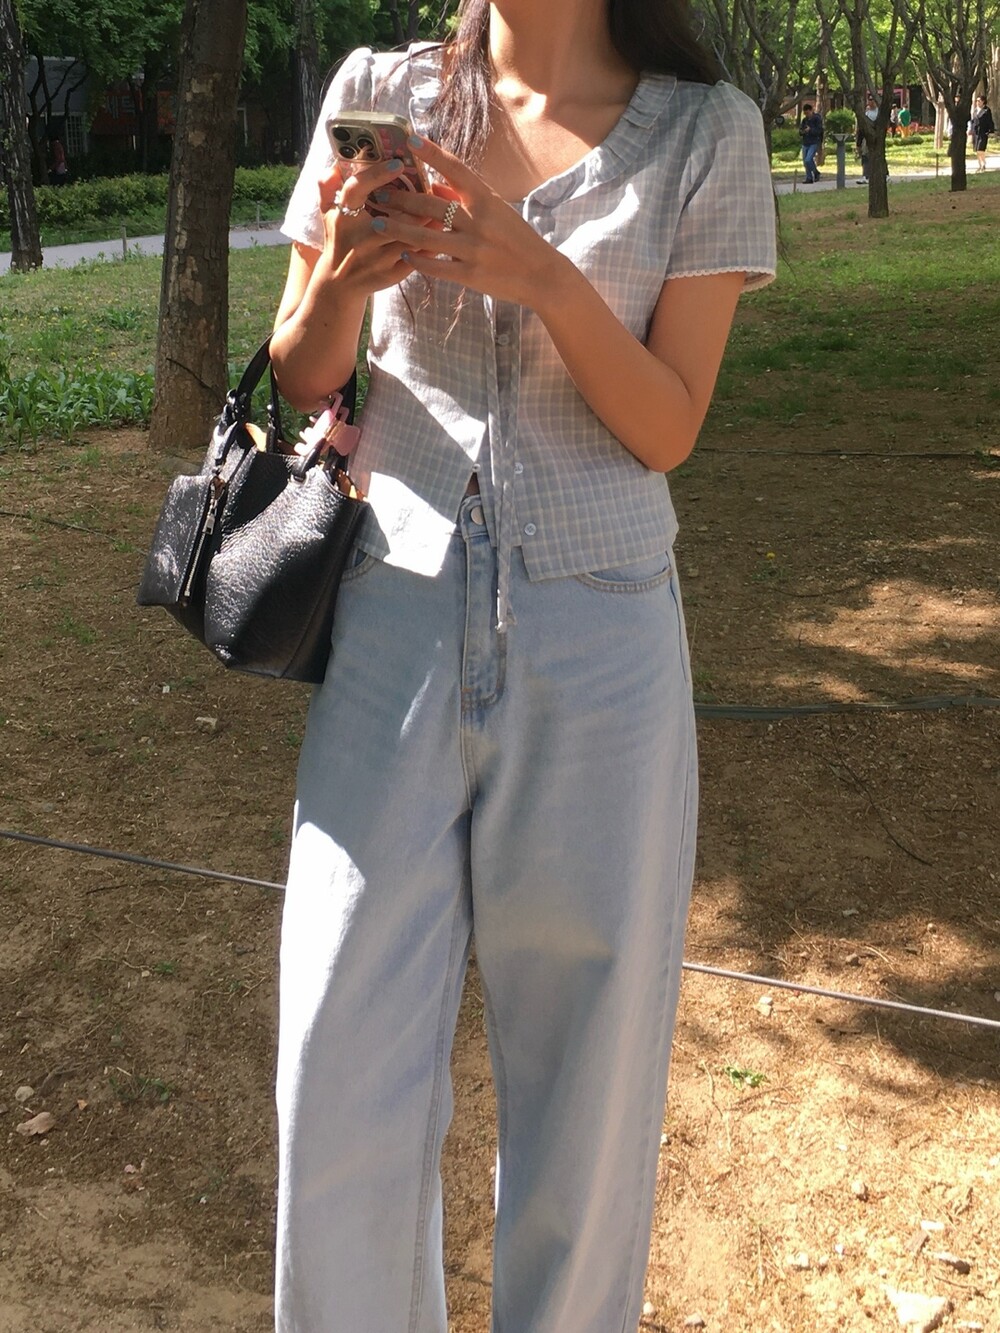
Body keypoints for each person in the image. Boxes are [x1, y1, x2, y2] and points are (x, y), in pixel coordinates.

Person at [269, 1, 776, 1329]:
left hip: (601, 636)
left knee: (588, 1091)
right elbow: (302, 370)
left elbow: (669, 424)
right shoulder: (381, 92)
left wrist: (543, 275)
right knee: (334, 1062)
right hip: (389, 620)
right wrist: (342, 281)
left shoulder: (707, 133)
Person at [799, 101, 824, 182]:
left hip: (814, 142)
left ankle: (815, 172)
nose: (807, 115)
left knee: (808, 159)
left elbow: (819, 131)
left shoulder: (817, 119)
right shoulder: (804, 120)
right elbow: (800, 131)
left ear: (811, 110)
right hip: (805, 142)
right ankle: (809, 177)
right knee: (805, 162)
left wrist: (810, 130)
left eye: (807, 113)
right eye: (805, 113)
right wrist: (803, 131)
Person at [969, 95, 995, 172]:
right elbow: (973, 121)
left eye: (979, 101)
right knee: (977, 150)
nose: (977, 102)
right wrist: (970, 130)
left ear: (983, 102)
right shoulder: (975, 110)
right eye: (976, 101)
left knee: (981, 149)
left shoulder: (986, 110)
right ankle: (980, 165)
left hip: (983, 132)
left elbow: (990, 121)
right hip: (976, 133)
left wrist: (990, 131)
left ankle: (983, 164)